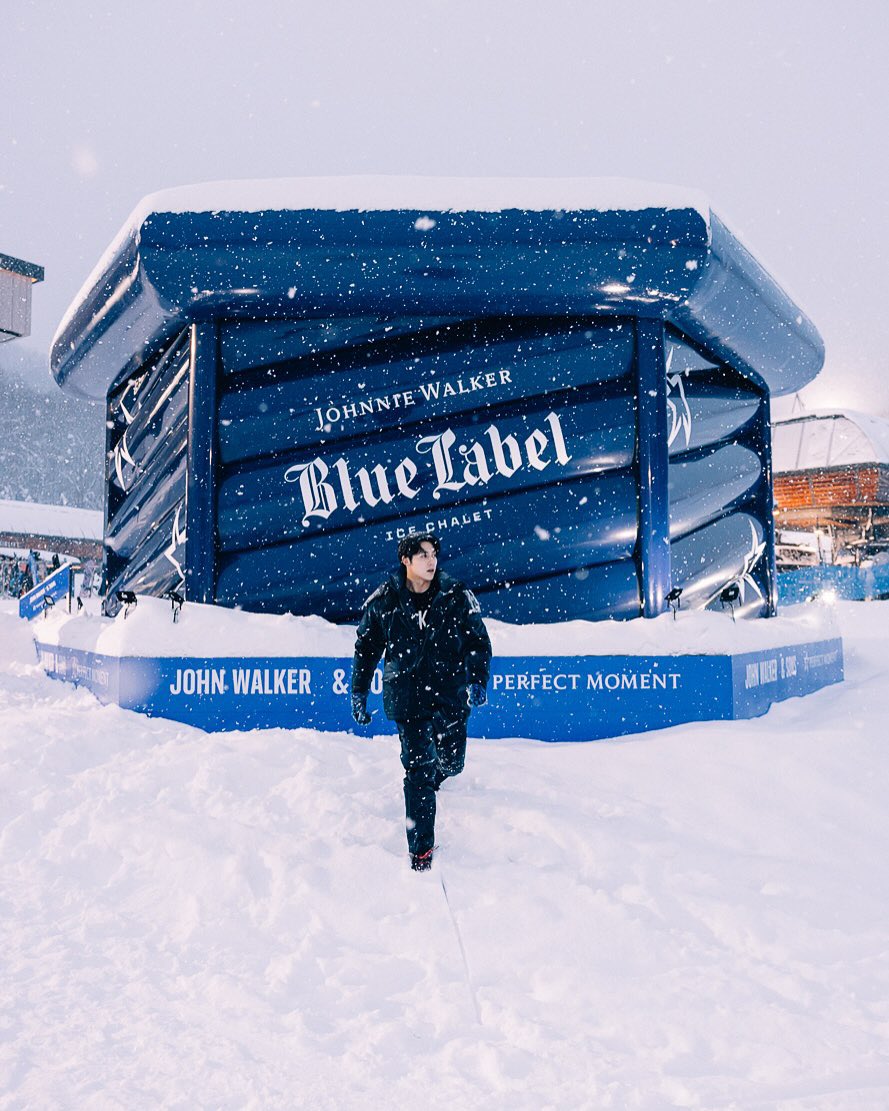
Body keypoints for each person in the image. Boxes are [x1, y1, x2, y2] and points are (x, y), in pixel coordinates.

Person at [351, 532, 492, 872]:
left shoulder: (456, 595)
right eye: (423, 555)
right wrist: (358, 691)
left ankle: (438, 775)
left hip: (449, 694)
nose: (431, 561)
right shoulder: (384, 600)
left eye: (433, 555)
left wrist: (477, 679)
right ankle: (421, 851)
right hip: (407, 696)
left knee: (451, 763)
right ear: (406, 561)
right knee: (417, 770)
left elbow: (477, 640)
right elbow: (366, 648)